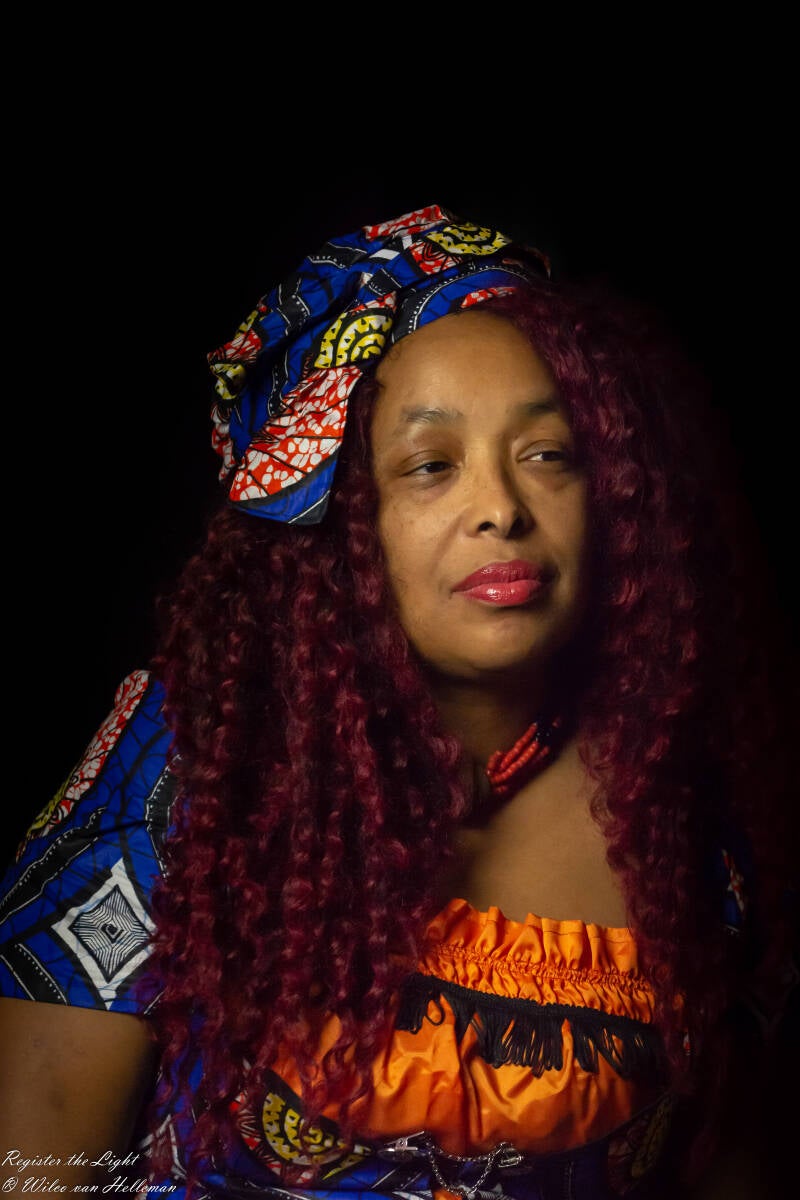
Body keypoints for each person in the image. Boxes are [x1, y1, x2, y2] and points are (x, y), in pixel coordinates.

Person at [0, 204, 794, 1199]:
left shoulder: (685, 801)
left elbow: (737, 1158)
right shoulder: (196, 760)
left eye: (548, 454)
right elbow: (38, 1155)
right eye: (430, 467)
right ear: (339, 526)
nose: (500, 508)